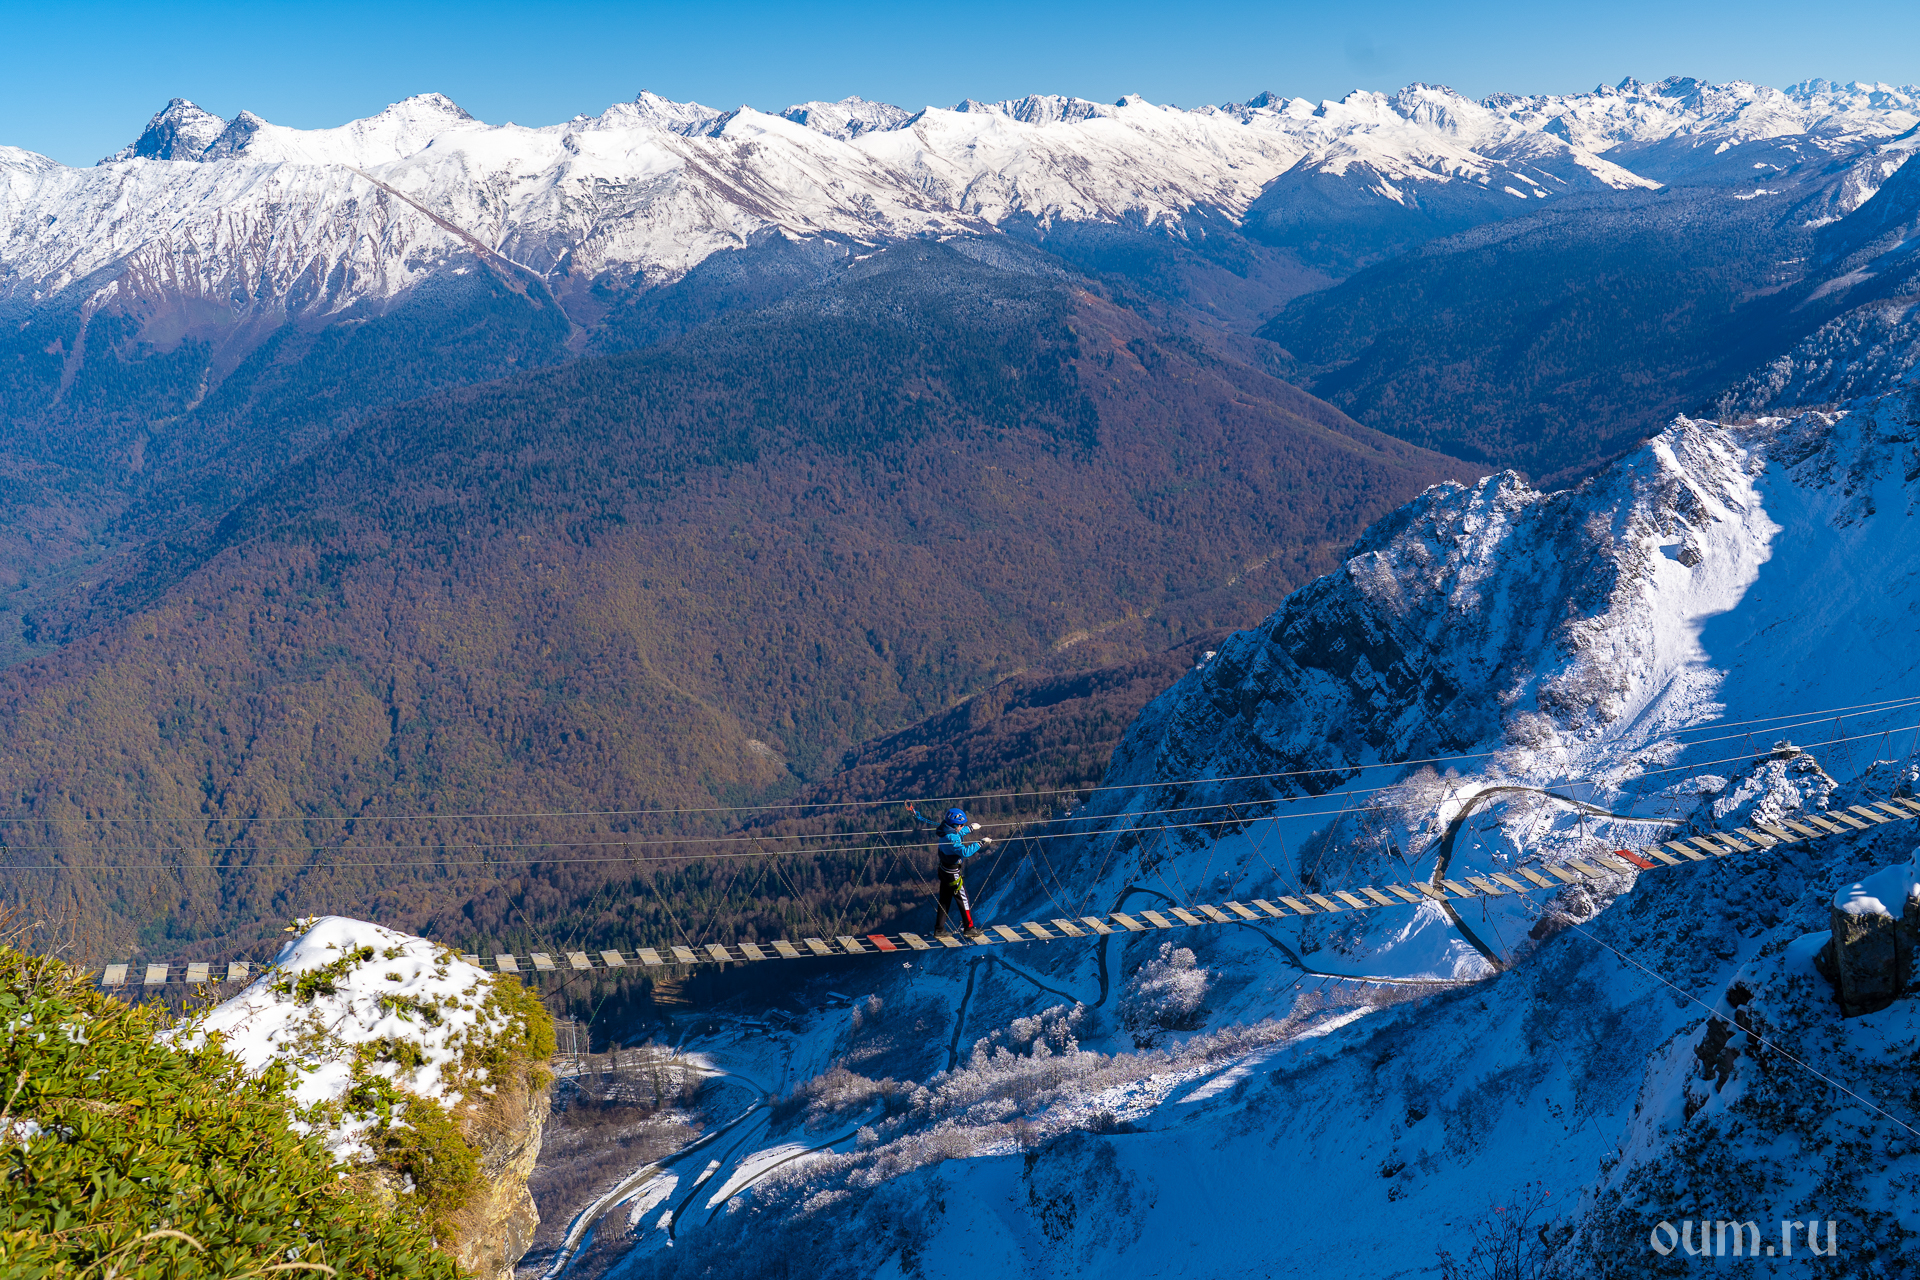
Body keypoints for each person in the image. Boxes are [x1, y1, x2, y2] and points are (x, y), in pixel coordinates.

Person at [906, 804, 992, 934]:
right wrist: (981, 842)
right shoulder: (952, 838)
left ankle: (939, 929)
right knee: (963, 899)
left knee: (944, 900)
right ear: (955, 825)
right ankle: (969, 928)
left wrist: (969, 828)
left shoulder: (945, 830)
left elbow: (957, 832)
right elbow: (965, 852)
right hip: (952, 873)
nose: (962, 826)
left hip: (944, 870)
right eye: (961, 825)